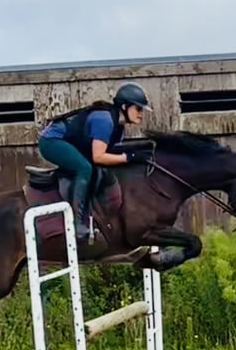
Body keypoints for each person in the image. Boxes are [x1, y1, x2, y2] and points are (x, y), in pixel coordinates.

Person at [37, 82, 154, 242]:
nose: (141, 113)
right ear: (125, 107)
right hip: (51, 141)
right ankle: (75, 223)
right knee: (84, 168)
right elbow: (98, 156)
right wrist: (129, 157)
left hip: (68, 141)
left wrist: (140, 150)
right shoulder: (104, 120)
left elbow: (112, 152)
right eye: (138, 109)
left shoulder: (118, 126)